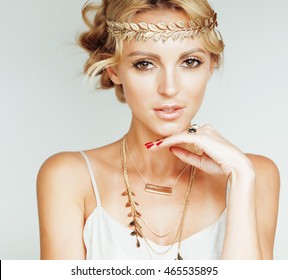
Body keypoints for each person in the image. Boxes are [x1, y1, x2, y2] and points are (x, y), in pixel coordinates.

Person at [37, 0, 280, 260]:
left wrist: (241, 178)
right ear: (114, 70)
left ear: (211, 65)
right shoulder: (69, 177)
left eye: (190, 62)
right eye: (145, 64)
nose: (169, 88)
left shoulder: (255, 174)